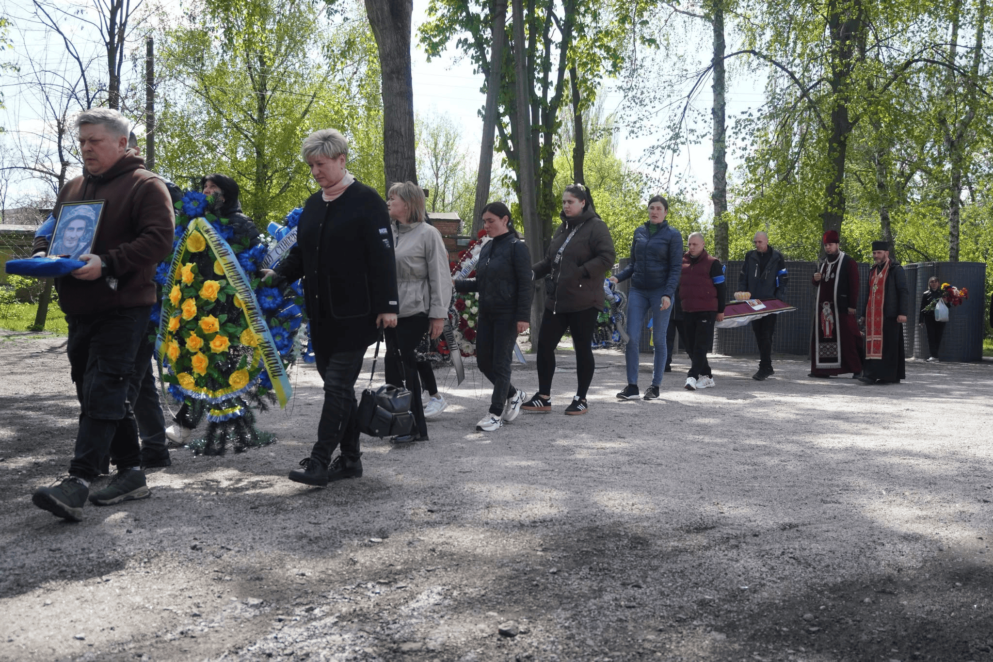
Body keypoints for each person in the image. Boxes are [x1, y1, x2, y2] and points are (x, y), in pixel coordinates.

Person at [30, 108, 175, 521]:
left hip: (124, 308)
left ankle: (78, 481)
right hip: (79, 309)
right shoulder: (73, 187)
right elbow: (53, 232)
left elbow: (159, 239)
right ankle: (131, 473)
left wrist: (109, 263)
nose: (86, 148)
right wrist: (42, 254)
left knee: (105, 390)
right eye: (82, 141)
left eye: (94, 140)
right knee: (92, 391)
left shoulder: (146, 185)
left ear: (122, 143)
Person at [267, 129, 398, 486]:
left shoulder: (367, 201)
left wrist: (388, 304)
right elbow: (301, 252)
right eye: (311, 166)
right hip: (321, 317)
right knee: (340, 393)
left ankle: (319, 461)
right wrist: (277, 274)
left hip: (357, 315)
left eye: (320, 164)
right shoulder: (313, 205)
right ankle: (351, 460)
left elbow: (383, 256)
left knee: (336, 388)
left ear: (341, 160)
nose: (315, 172)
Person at [164, 173, 263, 445]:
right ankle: (225, 418)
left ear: (226, 193)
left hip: (230, 309)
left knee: (211, 365)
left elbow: (256, 262)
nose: (207, 191)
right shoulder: (195, 222)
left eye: (213, 187)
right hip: (197, 305)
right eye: (205, 187)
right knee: (204, 364)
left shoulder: (241, 223)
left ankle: (185, 425)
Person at [522, 184, 616, 415]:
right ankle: (543, 397)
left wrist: (581, 272)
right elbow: (549, 262)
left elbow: (607, 257)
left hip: (584, 300)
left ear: (582, 203)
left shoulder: (596, 226)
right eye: (564, 202)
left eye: (570, 202)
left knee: (582, 349)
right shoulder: (562, 228)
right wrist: (529, 273)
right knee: (544, 345)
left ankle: (581, 399)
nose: (566, 206)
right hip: (557, 300)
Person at [455, 202, 533, 431]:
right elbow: (481, 282)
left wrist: (523, 317)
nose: (486, 225)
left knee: (501, 363)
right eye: (485, 221)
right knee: (483, 362)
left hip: (508, 315)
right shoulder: (487, 247)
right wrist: (455, 284)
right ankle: (514, 394)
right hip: (487, 313)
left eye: (491, 221)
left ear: (505, 220)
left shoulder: (517, 247)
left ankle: (495, 413)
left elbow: (526, 285)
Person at [384, 181, 451, 443]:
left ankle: (412, 427)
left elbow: (440, 276)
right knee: (392, 363)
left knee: (407, 363)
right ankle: (399, 421)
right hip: (390, 310)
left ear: (408, 204)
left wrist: (438, 314)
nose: (388, 202)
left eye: (394, 198)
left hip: (416, 310)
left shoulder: (428, 234)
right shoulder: (387, 233)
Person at [609, 195, 682, 401]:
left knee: (658, 339)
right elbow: (634, 264)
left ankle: (655, 386)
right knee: (631, 338)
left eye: (658, 208)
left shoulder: (673, 235)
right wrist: (618, 277)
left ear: (665, 212)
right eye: (651, 208)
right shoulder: (639, 232)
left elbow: (675, 268)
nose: (654, 211)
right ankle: (632, 386)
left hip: (661, 292)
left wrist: (668, 294)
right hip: (638, 290)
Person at [809, 230, 862, 378]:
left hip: (842, 308)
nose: (828, 248)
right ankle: (824, 369)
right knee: (825, 337)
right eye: (826, 245)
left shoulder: (848, 262)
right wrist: (815, 279)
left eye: (830, 245)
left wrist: (852, 305)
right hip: (824, 311)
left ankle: (857, 369)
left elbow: (854, 285)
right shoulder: (823, 263)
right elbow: (817, 283)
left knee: (848, 339)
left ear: (837, 245)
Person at [736, 231, 788, 380]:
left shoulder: (777, 257)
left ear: (766, 241)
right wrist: (742, 292)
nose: (757, 244)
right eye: (755, 242)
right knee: (758, 333)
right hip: (753, 301)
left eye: (759, 242)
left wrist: (778, 298)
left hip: (770, 302)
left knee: (766, 334)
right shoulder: (750, 256)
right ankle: (767, 366)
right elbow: (743, 276)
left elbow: (783, 278)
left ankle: (764, 367)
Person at [677, 232, 726, 391]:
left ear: (703, 244)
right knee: (690, 346)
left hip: (707, 310)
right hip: (687, 309)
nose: (691, 247)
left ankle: (692, 377)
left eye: (695, 244)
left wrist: (721, 310)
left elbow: (721, 288)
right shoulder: (681, 262)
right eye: (689, 244)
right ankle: (707, 376)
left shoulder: (713, 263)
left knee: (700, 345)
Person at [859, 241, 909, 385]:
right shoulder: (872, 271)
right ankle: (871, 374)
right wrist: (863, 314)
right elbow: (868, 293)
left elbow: (903, 291)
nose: (876, 255)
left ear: (886, 253)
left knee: (889, 347)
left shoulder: (896, 269)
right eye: (874, 253)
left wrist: (902, 312)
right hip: (872, 316)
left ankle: (888, 376)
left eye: (879, 253)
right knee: (872, 345)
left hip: (889, 314)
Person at [919, 276, 945, 362]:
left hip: (941, 317)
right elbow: (922, 307)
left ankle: (935, 355)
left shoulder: (943, 294)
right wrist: (921, 320)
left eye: (935, 282)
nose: (933, 284)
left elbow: (948, 305)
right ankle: (933, 356)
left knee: (938, 336)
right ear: (929, 284)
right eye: (932, 282)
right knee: (931, 336)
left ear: (938, 283)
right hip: (929, 318)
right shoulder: (926, 294)